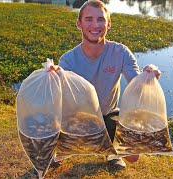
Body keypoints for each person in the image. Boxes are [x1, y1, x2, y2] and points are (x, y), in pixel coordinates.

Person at [58, 0, 161, 169]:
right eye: (89, 19)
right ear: (79, 24)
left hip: (108, 113)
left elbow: (136, 83)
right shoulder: (68, 59)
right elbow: (58, 93)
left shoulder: (120, 52)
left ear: (108, 24)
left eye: (101, 19)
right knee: (55, 150)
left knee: (133, 156)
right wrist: (52, 77)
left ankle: (111, 152)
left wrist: (149, 74)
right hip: (79, 117)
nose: (95, 25)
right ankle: (64, 146)